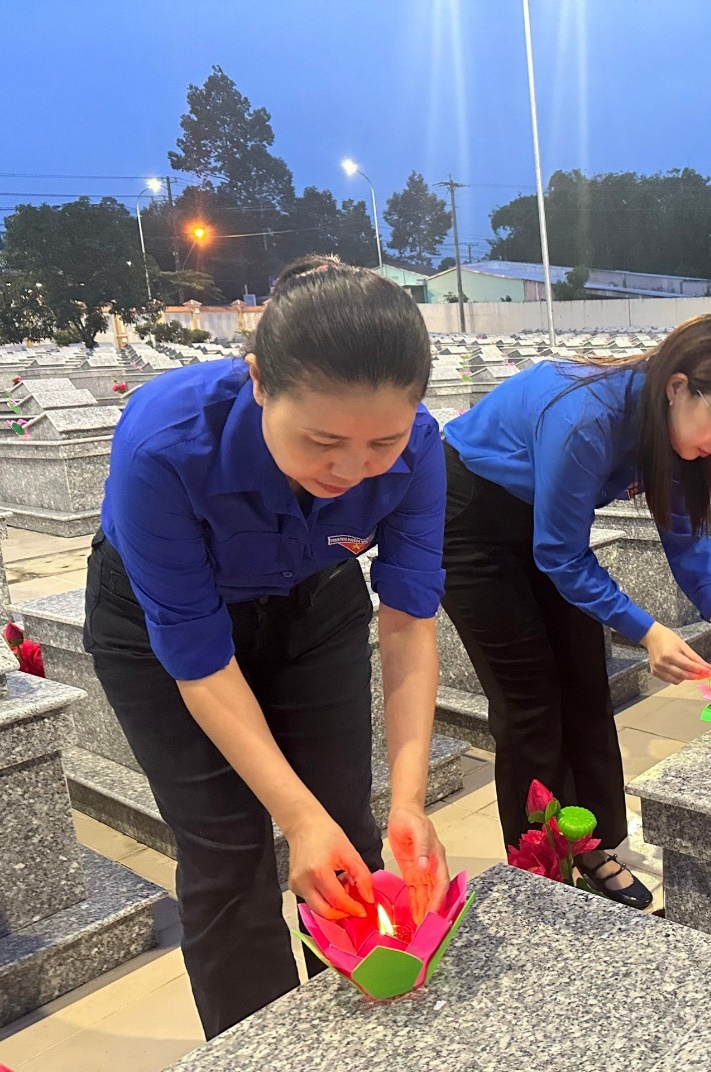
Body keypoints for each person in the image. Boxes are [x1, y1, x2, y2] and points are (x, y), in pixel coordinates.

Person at [83, 255, 451, 1039]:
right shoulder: (165, 444)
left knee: (346, 828)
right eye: (322, 441)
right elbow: (199, 660)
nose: (351, 471)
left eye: (381, 444)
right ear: (258, 382)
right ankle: (265, 1048)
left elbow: (408, 621)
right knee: (227, 852)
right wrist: (295, 817)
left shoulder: (420, 447)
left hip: (312, 601)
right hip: (163, 624)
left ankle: (362, 1035)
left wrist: (411, 798)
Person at [440, 314, 711, 909]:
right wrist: (647, 630)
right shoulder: (587, 420)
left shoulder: (673, 428)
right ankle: (543, 869)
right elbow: (560, 554)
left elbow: (684, 533)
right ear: (679, 386)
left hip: (548, 524)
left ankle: (596, 843)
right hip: (473, 517)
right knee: (531, 701)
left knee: (587, 681)